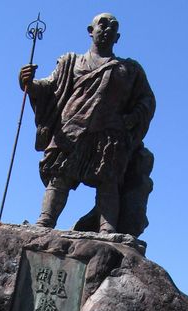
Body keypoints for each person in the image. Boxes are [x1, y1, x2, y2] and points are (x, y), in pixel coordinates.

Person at [20, 13, 155, 235]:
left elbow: (147, 100)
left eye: (113, 27)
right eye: (102, 24)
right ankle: (45, 222)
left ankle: (107, 229)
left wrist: (132, 118)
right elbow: (48, 86)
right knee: (59, 177)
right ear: (90, 30)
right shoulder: (71, 62)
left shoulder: (129, 70)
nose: (107, 29)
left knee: (108, 182)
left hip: (109, 134)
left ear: (117, 37)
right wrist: (27, 83)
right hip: (71, 128)